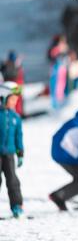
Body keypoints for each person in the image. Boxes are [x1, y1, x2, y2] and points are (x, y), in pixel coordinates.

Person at [0, 82, 24, 218]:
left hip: (9, 154)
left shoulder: (16, 117)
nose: (15, 102)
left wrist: (20, 152)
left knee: (13, 181)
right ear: (3, 97)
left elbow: (18, 136)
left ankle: (17, 206)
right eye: (12, 99)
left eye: (16, 100)